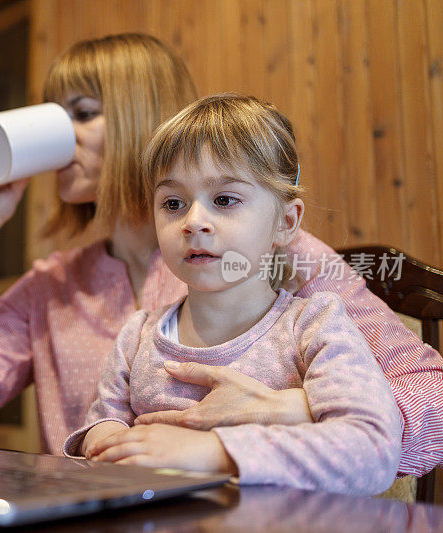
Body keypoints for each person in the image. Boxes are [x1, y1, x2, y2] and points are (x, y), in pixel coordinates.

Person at [0, 33, 442, 478]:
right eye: (53, 114)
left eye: (82, 113)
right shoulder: (51, 289)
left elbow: (433, 402)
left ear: (145, 119)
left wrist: (292, 410)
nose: (59, 134)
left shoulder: (272, 258)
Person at [62, 94, 401, 495]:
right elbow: (104, 419)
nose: (193, 222)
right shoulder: (137, 335)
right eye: (173, 203)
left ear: (286, 222)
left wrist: (212, 451)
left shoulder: (316, 325)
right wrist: (102, 437)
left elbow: (371, 452)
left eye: (224, 199)